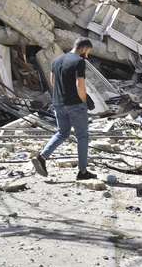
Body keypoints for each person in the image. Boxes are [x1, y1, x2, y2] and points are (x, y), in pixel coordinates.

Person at [31, 38, 97, 180]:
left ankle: (42, 157)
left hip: (58, 104)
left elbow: (53, 81)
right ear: (84, 49)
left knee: (62, 133)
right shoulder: (79, 61)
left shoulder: (57, 60)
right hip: (75, 105)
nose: (87, 54)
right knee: (82, 137)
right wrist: (84, 102)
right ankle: (83, 172)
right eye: (88, 51)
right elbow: (80, 85)